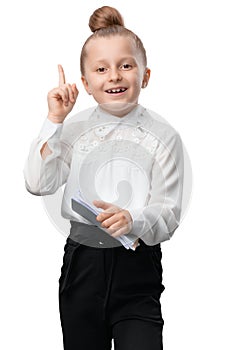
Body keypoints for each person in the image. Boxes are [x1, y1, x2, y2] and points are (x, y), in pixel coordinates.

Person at [24, 5, 184, 350]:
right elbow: (39, 184)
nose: (114, 76)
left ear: (145, 76)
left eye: (126, 65)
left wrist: (133, 219)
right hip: (83, 265)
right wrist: (54, 121)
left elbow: (169, 214)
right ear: (86, 83)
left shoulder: (164, 135)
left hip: (137, 267)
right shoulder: (73, 128)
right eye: (101, 69)